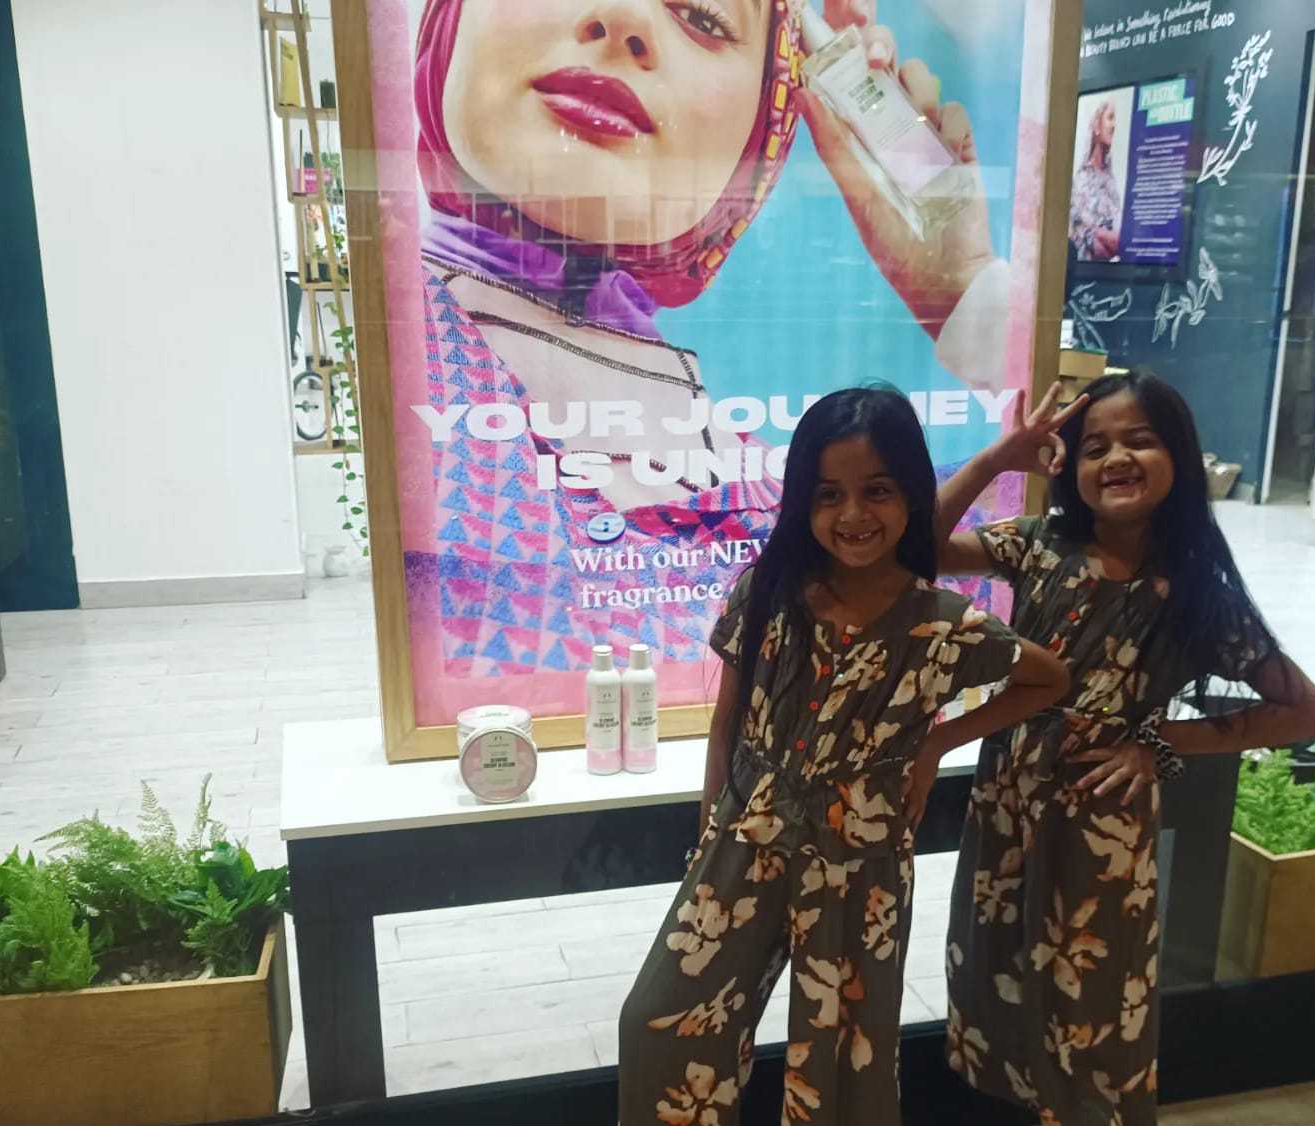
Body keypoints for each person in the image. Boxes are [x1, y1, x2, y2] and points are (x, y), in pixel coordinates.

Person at [409, 0, 1012, 717]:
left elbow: (1006, 558)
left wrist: (966, 296)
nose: (624, 19)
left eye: (702, 15)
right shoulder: (408, 383)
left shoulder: (782, 488)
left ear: (766, 122)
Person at [610, 387, 1068, 1126]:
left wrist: (937, 742)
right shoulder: (771, 590)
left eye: (878, 490)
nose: (853, 514)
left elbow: (1047, 677)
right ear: (801, 500)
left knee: (842, 1045)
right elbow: (728, 719)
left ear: (911, 495)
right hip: (750, 835)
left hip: (862, 856)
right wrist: (712, 828)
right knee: (664, 1013)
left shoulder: (941, 620)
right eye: (828, 493)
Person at [932, 371, 1315, 1126]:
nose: (1116, 457)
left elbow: (1304, 713)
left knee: (1088, 989)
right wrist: (995, 461)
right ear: (1067, 466)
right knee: (1009, 967)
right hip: (1009, 802)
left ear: (1178, 456)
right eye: (1095, 445)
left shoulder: (1194, 589)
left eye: (1139, 439)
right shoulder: (1039, 545)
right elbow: (912, 554)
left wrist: (1159, 742)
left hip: (1099, 819)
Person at [1070, 100, 1122, 263]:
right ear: (1097, 126)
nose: (1113, 125)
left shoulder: (1111, 181)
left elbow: (1118, 240)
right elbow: (1092, 240)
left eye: (1115, 119)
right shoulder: (1082, 179)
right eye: (1110, 118)